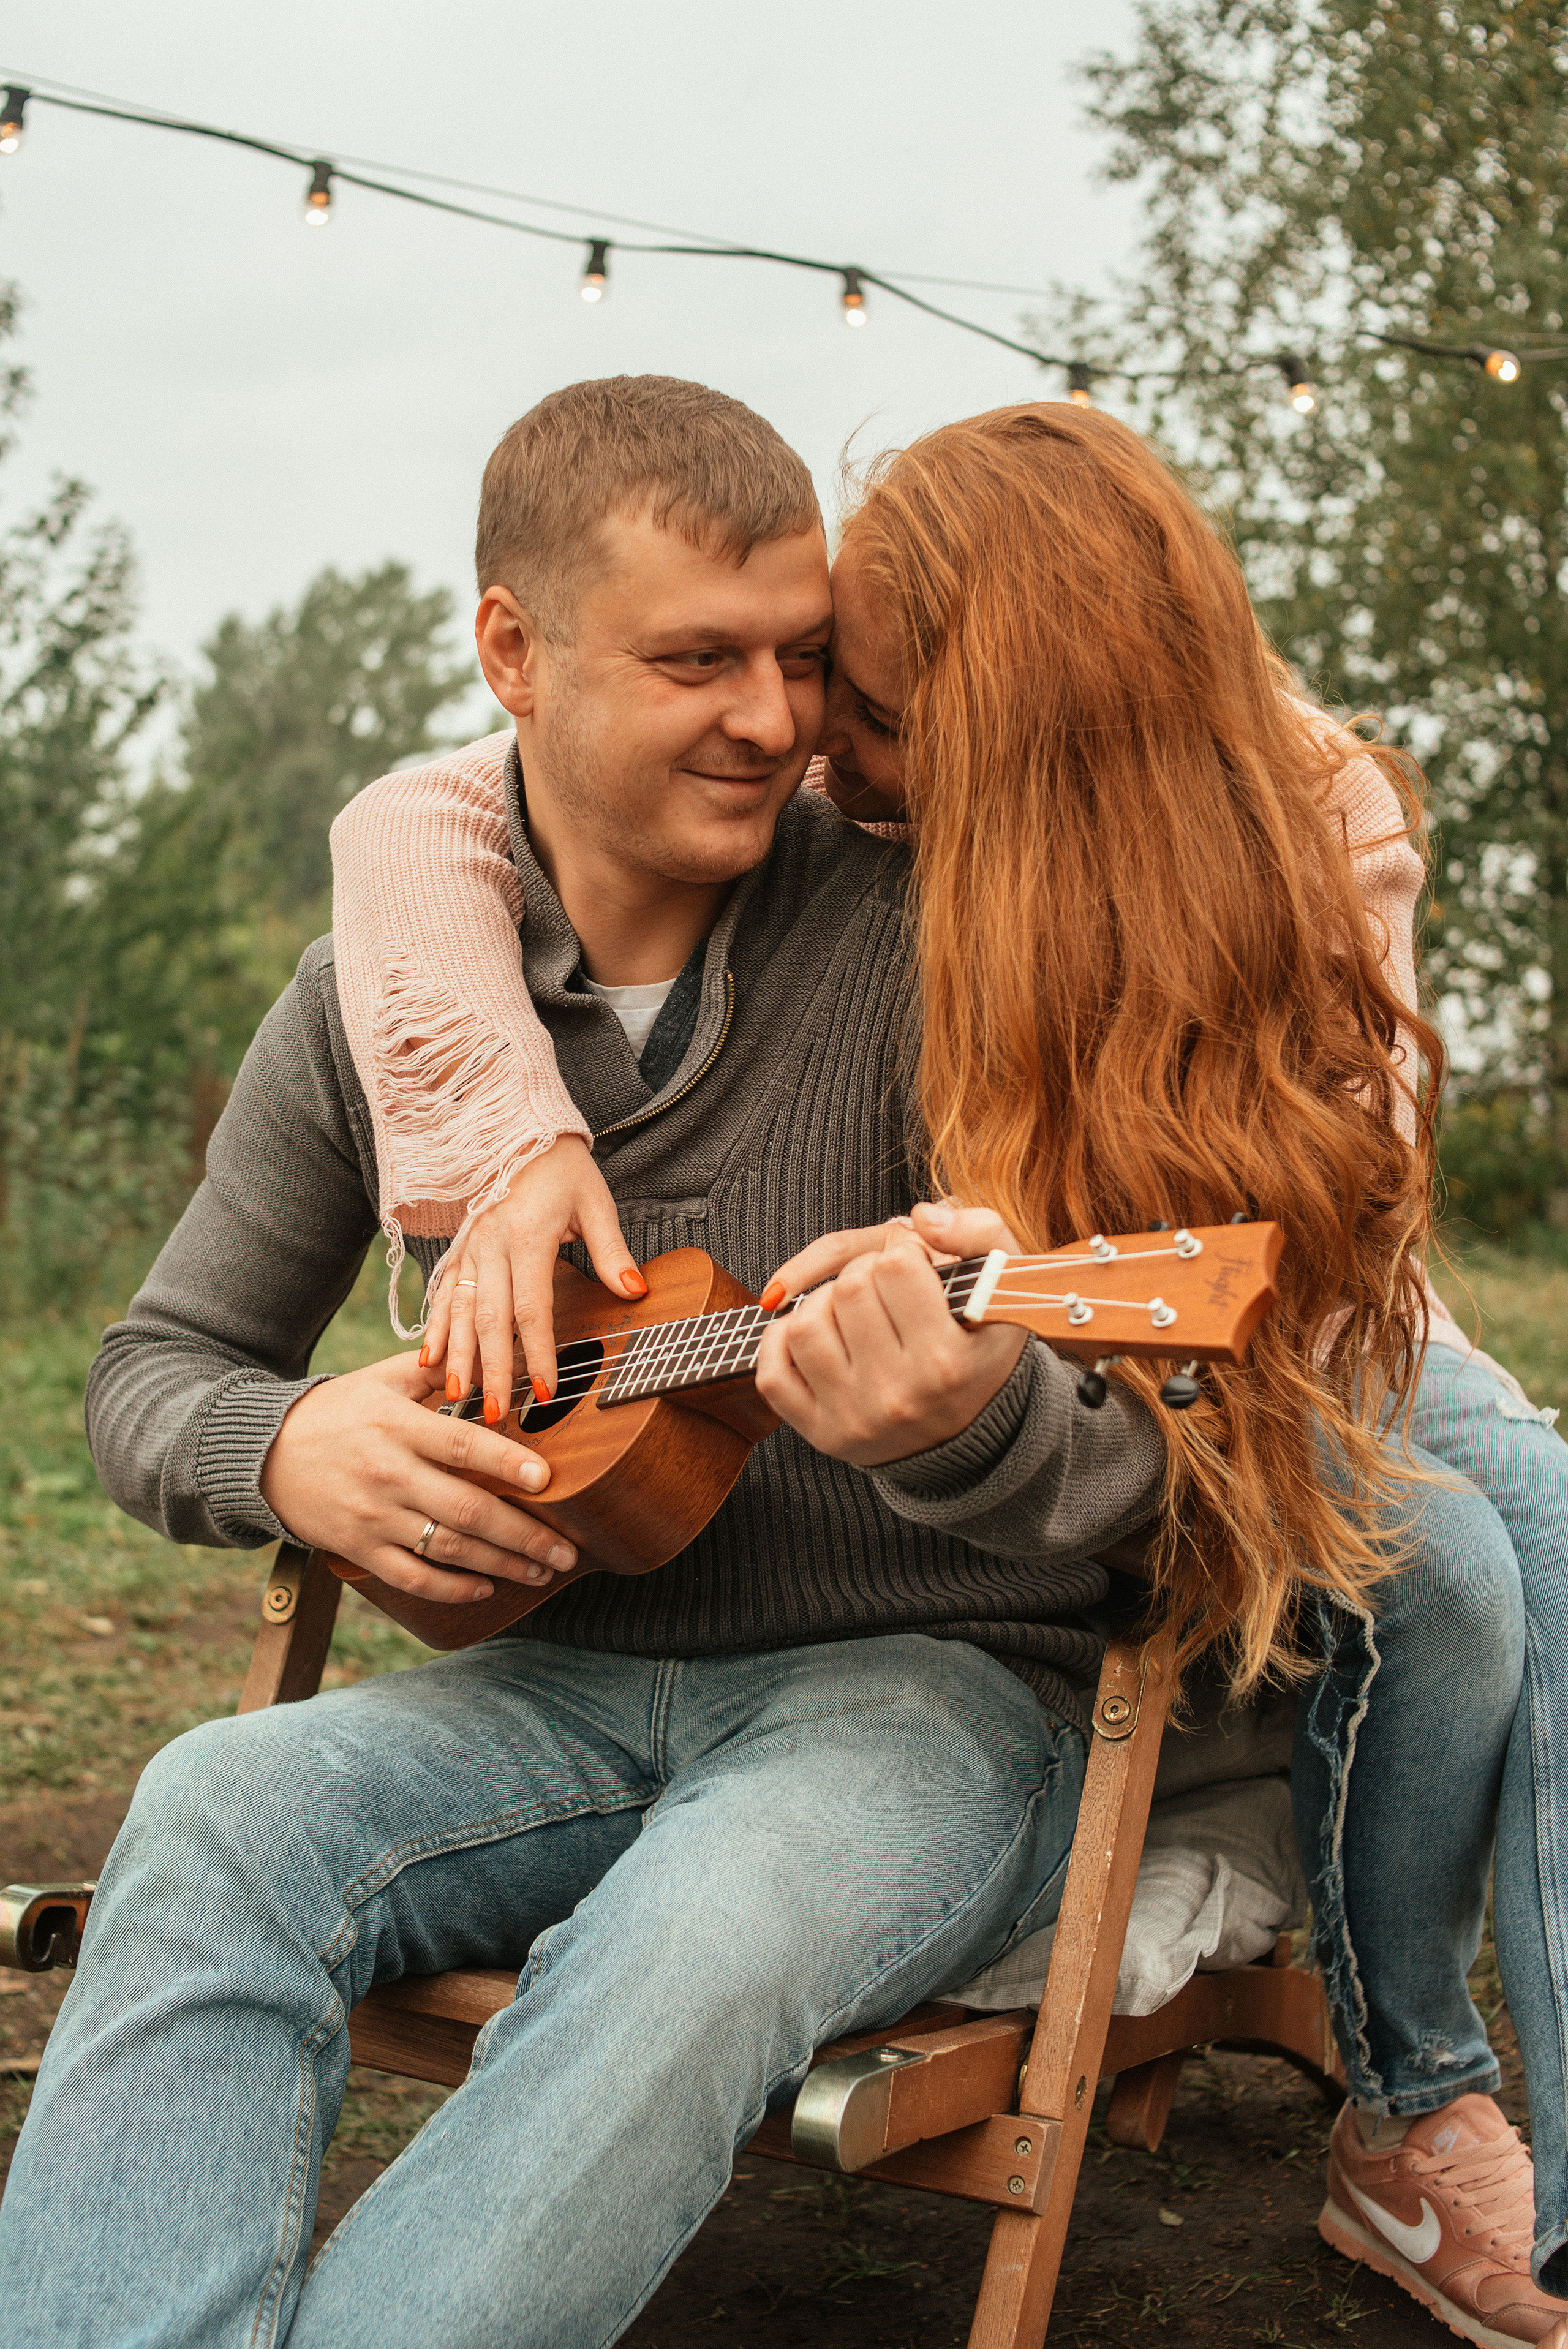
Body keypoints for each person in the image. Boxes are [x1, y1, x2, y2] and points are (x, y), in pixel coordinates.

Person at [0, 379, 1523, 2349]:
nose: (776, 718)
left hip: (923, 1706)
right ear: (513, 652)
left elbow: (1191, 1466)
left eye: (803, 662)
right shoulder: (385, 1002)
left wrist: (976, 1424)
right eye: (696, 660)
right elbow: (151, 1369)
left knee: (698, 1938)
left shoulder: (959, 931)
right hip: (546, 1691)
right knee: (212, 1802)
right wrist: (288, 1448)